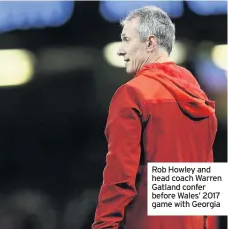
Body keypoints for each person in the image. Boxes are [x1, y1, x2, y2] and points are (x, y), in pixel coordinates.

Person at [92, 6, 217, 229]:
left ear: (150, 43)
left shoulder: (132, 94)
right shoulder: (200, 98)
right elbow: (202, 187)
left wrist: (104, 225)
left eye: (127, 40)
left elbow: (120, 176)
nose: (121, 50)